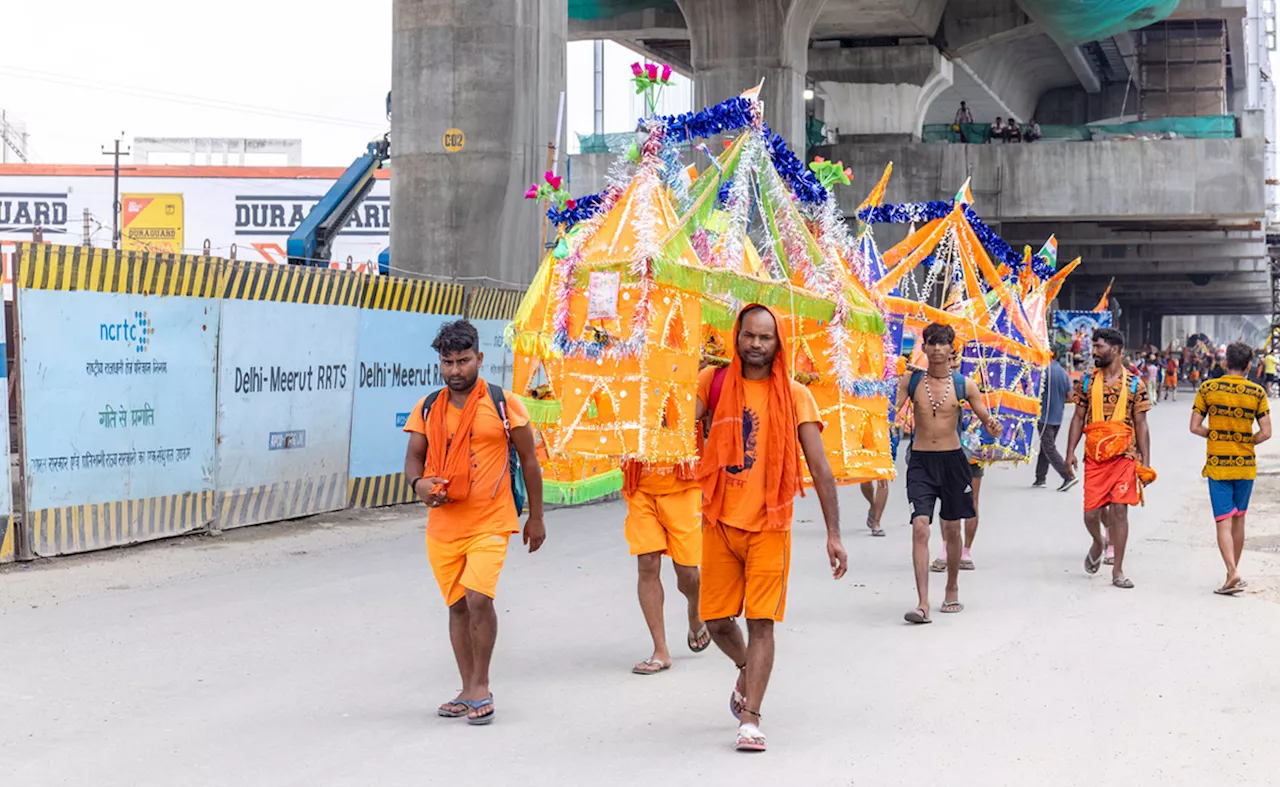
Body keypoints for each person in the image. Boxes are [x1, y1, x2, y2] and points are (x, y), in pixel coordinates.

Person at [695, 304, 848, 753]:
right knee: (716, 620)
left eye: (765, 337)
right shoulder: (714, 382)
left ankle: (750, 717)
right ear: (736, 336)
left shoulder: (796, 394)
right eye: (749, 336)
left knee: (761, 622)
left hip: (770, 525)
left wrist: (833, 533)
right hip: (720, 519)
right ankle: (748, 670)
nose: (756, 344)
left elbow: (820, 469)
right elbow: (676, 420)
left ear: (779, 342)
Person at [404, 320, 545, 725]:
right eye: (447, 362)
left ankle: (482, 685)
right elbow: (414, 456)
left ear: (479, 359)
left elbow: (531, 464)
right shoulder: (428, 406)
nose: (455, 370)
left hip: (491, 520)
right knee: (457, 607)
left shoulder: (504, 403)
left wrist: (536, 517)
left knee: (479, 598)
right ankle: (467, 689)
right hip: (443, 525)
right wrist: (419, 484)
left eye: (463, 361)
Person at [899, 323, 1002, 624]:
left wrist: (992, 426)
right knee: (920, 526)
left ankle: (952, 587)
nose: (936, 349)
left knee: (952, 527)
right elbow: (891, 409)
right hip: (920, 463)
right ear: (924, 348)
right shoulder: (912, 380)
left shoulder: (965, 385)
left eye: (942, 343)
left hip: (954, 462)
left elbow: (985, 418)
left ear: (951, 349)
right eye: (931, 343)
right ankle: (922, 604)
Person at [1065, 328, 1151, 590]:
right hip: (1095, 457)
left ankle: (1118, 570)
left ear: (1115, 349)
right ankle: (1098, 541)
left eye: (1099, 347)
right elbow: (1078, 417)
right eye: (1094, 346)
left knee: (1120, 511)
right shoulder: (1088, 382)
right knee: (1091, 514)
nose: (1094, 352)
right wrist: (1069, 452)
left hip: (1125, 456)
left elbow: (1142, 424)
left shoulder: (1136, 384)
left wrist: (1145, 461)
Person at [1190, 342, 1272, 595]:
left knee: (1223, 520)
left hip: (1218, 464)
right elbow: (1266, 433)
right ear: (1249, 366)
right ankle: (1233, 571)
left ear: (1225, 363)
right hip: (1245, 466)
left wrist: (1215, 436)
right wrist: (1245, 441)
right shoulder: (1257, 392)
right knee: (1239, 519)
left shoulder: (1208, 388)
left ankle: (1231, 571)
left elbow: (1194, 427)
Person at [622, 456, 709, 675]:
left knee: (687, 571)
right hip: (639, 483)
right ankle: (660, 651)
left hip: (684, 483)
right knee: (647, 563)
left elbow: (704, 422)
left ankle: (696, 611)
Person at [1033, 355, 1078, 490]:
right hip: (1057, 416)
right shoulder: (1063, 373)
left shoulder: (1042, 371)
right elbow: (1070, 397)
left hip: (1044, 416)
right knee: (1046, 446)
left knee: (1049, 448)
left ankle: (1067, 476)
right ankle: (1040, 477)